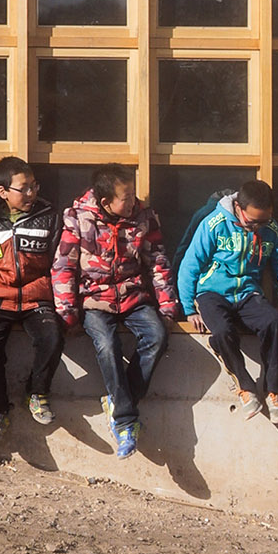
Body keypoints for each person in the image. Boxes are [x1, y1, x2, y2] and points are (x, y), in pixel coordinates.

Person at [51, 166, 179, 461]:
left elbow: (158, 262)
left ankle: (120, 403)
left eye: (134, 195)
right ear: (106, 201)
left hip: (133, 295)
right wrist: (67, 312)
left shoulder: (144, 217)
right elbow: (64, 267)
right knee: (108, 344)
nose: (133, 202)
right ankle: (124, 423)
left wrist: (167, 305)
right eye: (126, 197)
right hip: (94, 298)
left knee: (157, 336)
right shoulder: (77, 219)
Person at [177, 179, 278, 424]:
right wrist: (189, 307)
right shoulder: (214, 224)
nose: (257, 227)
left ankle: (274, 389)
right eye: (252, 222)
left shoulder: (272, 230)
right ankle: (245, 386)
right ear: (238, 208)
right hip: (212, 293)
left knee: (274, 322)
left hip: (247, 293)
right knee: (222, 331)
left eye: (264, 221)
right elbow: (189, 265)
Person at [0, 156, 63, 445]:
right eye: (23, 188)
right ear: (3, 192)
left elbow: (58, 261)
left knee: (51, 336)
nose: (31, 194)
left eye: (34, 186)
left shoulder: (51, 214)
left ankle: (37, 393)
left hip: (38, 294)